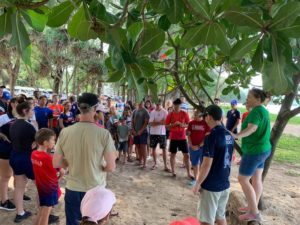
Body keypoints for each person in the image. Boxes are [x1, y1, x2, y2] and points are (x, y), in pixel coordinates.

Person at [53, 93, 117, 225]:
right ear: (94, 109)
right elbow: (111, 167)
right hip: (96, 189)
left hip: (73, 188)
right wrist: (100, 167)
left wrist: (71, 163)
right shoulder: (103, 134)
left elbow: (56, 162)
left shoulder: (65, 132)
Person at [230, 89, 271, 222]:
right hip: (263, 149)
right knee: (256, 179)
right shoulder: (263, 110)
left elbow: (252, 128)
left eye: (249, 97)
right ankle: (252, 207)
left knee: (243, 179)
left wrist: (237, 135)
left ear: (258, 99)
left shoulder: (256, 112)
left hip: (254, 151)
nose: (246, 98)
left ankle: (254, 212)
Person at [193, 105, 234, 225]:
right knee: (220, 216)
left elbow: (206, 164)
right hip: (224, 183)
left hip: (211, 185)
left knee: (206, 220)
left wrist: (198, 183)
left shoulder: (211, 136)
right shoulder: (229, 134)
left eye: (205, 116)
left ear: (209, 117)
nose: (204, 119)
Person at [9, 101, 36, 222]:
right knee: (41, 186)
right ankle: (45, 213)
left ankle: (20, 213)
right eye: (32, 110)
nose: (33, 112)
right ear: (25, 111)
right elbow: (36, 143)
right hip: (26, 158)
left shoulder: (13, 124)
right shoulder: (29, 126)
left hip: (15, 156)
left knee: (19, 187)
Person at [31, 128, 64, 225]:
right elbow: (62, 172)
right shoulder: (49, 158)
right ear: (45, 142)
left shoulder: (33, 154)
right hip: (50, 190)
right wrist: (58, 178)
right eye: (53, 140)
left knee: (41, 211)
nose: (54, 142)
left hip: (41, 188)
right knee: (45, 215)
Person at [0, 97, 25, 211]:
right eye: (18, 103)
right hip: (5, 150)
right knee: (5, 177)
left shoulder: (21, 117)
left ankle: (19, 194)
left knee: (17, 175)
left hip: (17, 150)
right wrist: (3, 136)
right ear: (12, 104)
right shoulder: (4, 117)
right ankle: (3, 201)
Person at [165, 98, 191, 178]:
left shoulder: (184, 113)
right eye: (175, 105)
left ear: (180, 105)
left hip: (182, 137)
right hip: (173, 137)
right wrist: (174, 124)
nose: (177, 106)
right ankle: (173, 172)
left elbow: (188, 124)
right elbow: (166, 127)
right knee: (173, 154)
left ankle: (189, 173)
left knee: (186, 155)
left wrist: (182, 125)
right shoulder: (170, 114)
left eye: (178, 105)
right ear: (173, 105)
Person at [187, 109, 210, 186]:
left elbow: (207, 136)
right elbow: (188, 135)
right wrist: (191, 145)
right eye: (194, 113)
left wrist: (199, 145)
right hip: (192, 147)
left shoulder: (205, 123)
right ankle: (196, 179)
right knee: (194, 163)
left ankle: (201, 180)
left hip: (202, 147)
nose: (195, 114)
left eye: (196, 113)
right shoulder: (191, 123)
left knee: (202, 164)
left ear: (201, 115)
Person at [149, 99, 169, 171]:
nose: (157, 106)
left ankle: (165, 166)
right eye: (156, 105)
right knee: (153, 149)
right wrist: (160, 122)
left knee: (164, 149)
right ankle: (155, 163)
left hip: (162, 133)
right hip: (153, 133)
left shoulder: (165, 112)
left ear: (161, 104)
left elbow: (165, 123)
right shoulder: (152, 112)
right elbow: (151, 124)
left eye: (158, 105)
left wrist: (156, 122)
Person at [132, 99, 150, 169]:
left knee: (143, 147)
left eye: (141, 101)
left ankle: (145, 163)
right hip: (135, 132)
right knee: (138, 146)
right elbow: (132, 121)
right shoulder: (135, 111)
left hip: (143, 132)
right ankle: (140, 160)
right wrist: (133, 130)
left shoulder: (145, 111)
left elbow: (146, 123)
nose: (139, 103)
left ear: (143, 102)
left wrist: (141, 131)